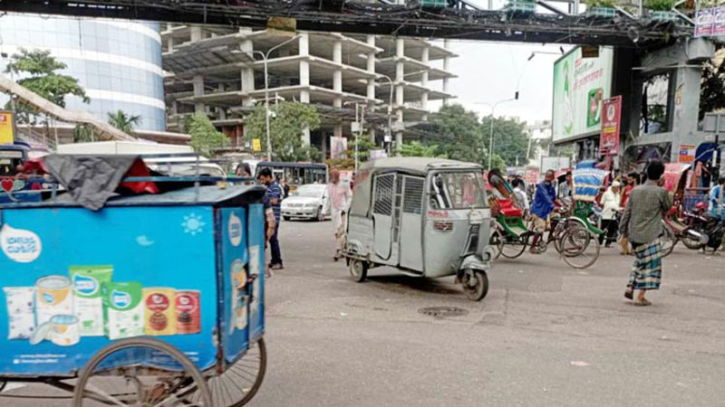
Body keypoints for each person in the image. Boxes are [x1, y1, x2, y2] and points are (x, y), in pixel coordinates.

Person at [620, 160, 672, 306]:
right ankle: (640, 296)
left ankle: (630, 286)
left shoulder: (635, 191)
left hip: (634, 234)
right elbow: (667, 207)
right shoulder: (661, 192)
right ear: (660, 176)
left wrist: (623, 232)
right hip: (651, 235)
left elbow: (626, 213)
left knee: (640, 261)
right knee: (651, 266)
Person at [258, 168, 284, 270]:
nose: (263, 181)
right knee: (270, 239)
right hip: (268, 217)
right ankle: (274, 260)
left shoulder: (275, 187)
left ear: (269, 177)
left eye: (264, 179)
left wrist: (264, 199)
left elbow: (274, 201)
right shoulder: (268, 186)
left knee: (273, 240)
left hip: (274, 217)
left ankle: (278, 261)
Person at [529, 170, 558, 254]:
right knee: (541, 228)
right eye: (547, 177)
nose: (548, 179)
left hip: (547, 210)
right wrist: (554, 206)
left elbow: (554, 198)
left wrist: (562, 204)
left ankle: (550, 236)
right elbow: (547, 198)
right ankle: (532, 247)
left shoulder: (551, 186)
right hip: (538, 211)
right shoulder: (541, 186)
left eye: (550, 178)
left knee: (557, 216)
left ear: (553, 178)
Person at [328, 169, 352, 261]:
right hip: (334, 211)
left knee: (340, 232)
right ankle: (343, 247)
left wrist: (345, 209)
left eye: (334, 177)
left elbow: (350, 196)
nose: (333, 179)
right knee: (336, 232)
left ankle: (338, 251)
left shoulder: (344, 185)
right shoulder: (330, 186)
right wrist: (324, 211)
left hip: (342, 211)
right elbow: (328, 198)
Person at [599, 181, 622, 247]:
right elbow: (602, 203)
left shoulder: (618, 195)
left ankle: (608, 243)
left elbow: (617, 204)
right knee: (603, 229)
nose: (617, 189)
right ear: (613, 187)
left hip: (614, 214)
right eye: (616, 188)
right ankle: (600, 242)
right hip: (606, 214)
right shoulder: (606, 193)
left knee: (611, 229)